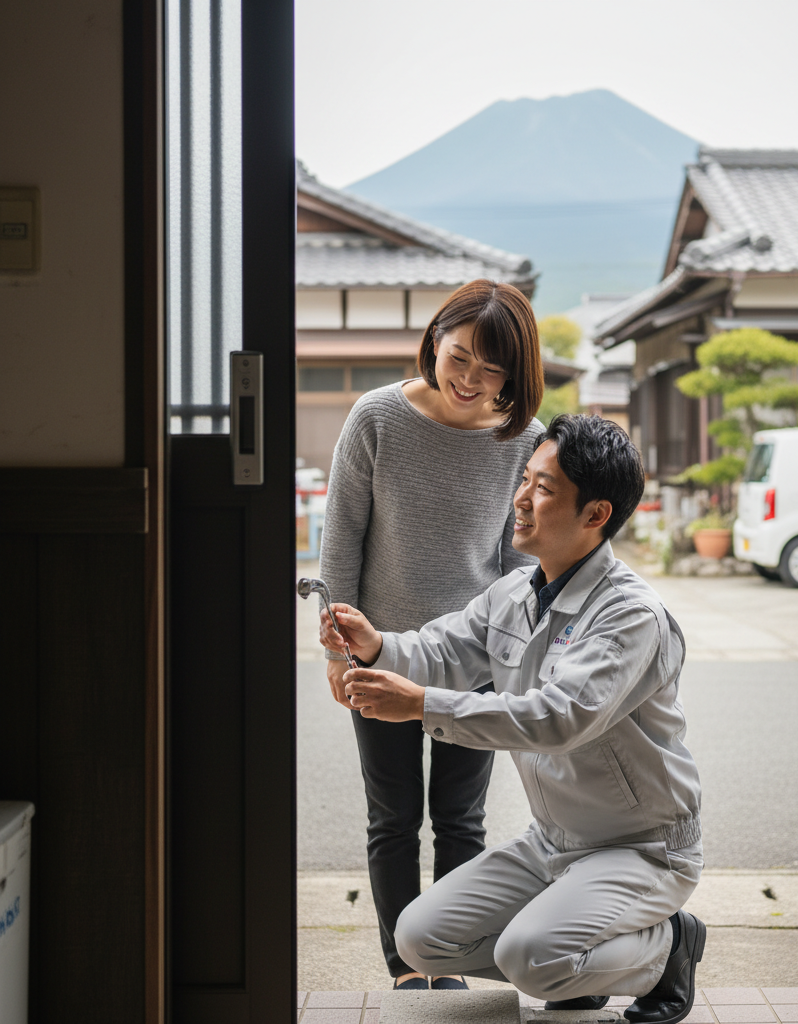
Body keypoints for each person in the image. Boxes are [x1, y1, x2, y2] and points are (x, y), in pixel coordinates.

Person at [320, 414, 705, 1024]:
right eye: (525, 479)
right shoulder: (517, 592)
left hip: (641, 847)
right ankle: (576, 961)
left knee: (529, 958)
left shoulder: (629, 616)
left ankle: (669, 947)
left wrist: (421, 705)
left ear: (596, 514)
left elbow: (558, 719)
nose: (520, 498)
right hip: (552, 842)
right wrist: (375, 646)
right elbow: (442, 650)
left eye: (544, 488)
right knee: (418, 939)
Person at [317, 279, 545, 989]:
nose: (471, 380)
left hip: (472, 664)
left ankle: (444, 957)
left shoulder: (523, 440)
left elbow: (516, 564)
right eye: (459, 356)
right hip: (378, 653)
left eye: (492, 369)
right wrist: (334, 647)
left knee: (461, 819)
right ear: (433, 342)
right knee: (392, 817)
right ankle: (404, 966)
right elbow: (341, 536)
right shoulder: (377, 416)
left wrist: (513, 662)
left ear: (515, 374)